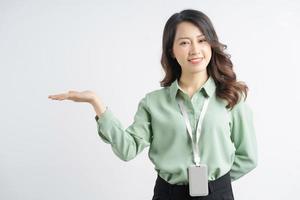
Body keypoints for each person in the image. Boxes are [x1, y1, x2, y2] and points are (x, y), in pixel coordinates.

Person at [48, 9, 258, 200]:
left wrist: (216, 183)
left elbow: (248, 157)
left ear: (211, 45)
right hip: (168, 195)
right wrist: (96, 103)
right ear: (172, 51)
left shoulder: (231, 97)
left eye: (202, 40)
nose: (195, 49)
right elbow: (127, 150)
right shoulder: (153, 103)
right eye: (184, 42)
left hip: (217, 194)